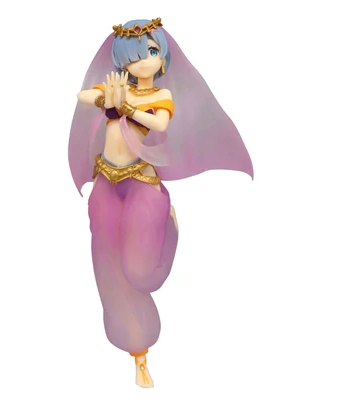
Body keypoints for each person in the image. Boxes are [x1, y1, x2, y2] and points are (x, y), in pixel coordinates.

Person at [69, 17, 253, 388]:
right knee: (107, 262)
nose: (142, 61)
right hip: (106, 181)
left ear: (163, 57)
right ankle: (138, 352)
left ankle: (169, 230)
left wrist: (124, 108)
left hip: (142, 181)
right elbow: (83, 97)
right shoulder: (118, 89)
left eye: (151, 51)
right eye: (132, 55)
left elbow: (160, 125)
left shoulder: (158, 96)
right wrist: (107, 99)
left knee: (140, 273)